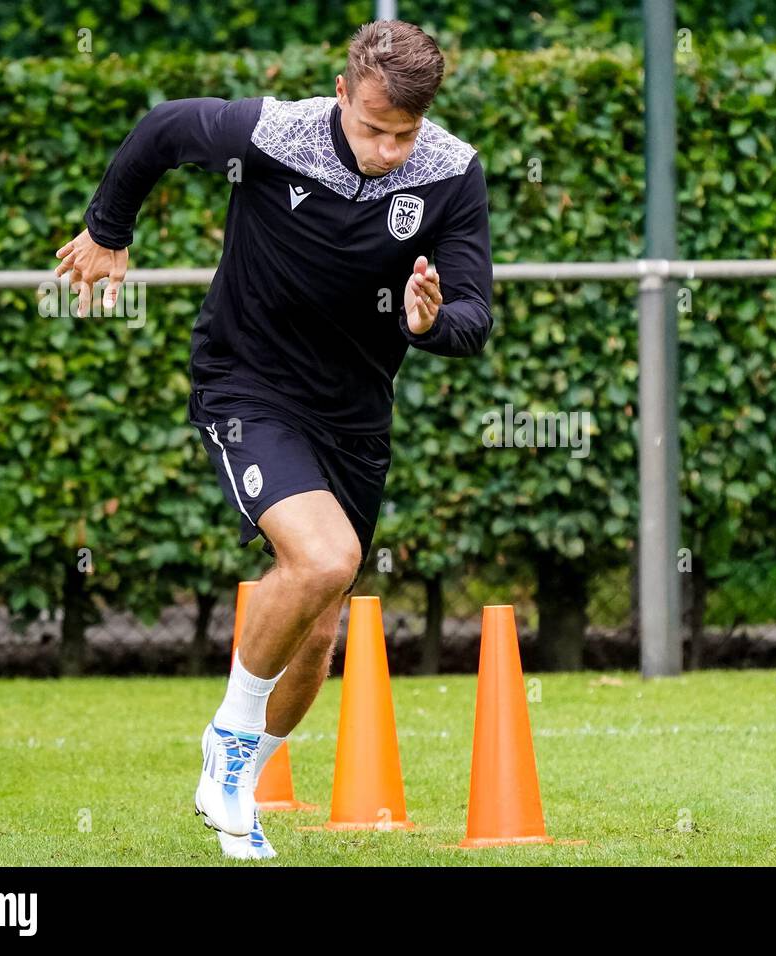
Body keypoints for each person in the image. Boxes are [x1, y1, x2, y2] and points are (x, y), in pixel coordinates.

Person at [53, 20, 493, 859]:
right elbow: (161, 130)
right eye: (370, 128)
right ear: (340, 93)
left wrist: (429, 323)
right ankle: (228, 738)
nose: (386, 150)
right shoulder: (273, 133)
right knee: (327, 559)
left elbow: (474, 316)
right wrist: (109, 231)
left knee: (320, 627)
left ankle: (241, 786)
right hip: (247, 385)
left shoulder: (451, 173)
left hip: (355, 417)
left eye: (403, 134)